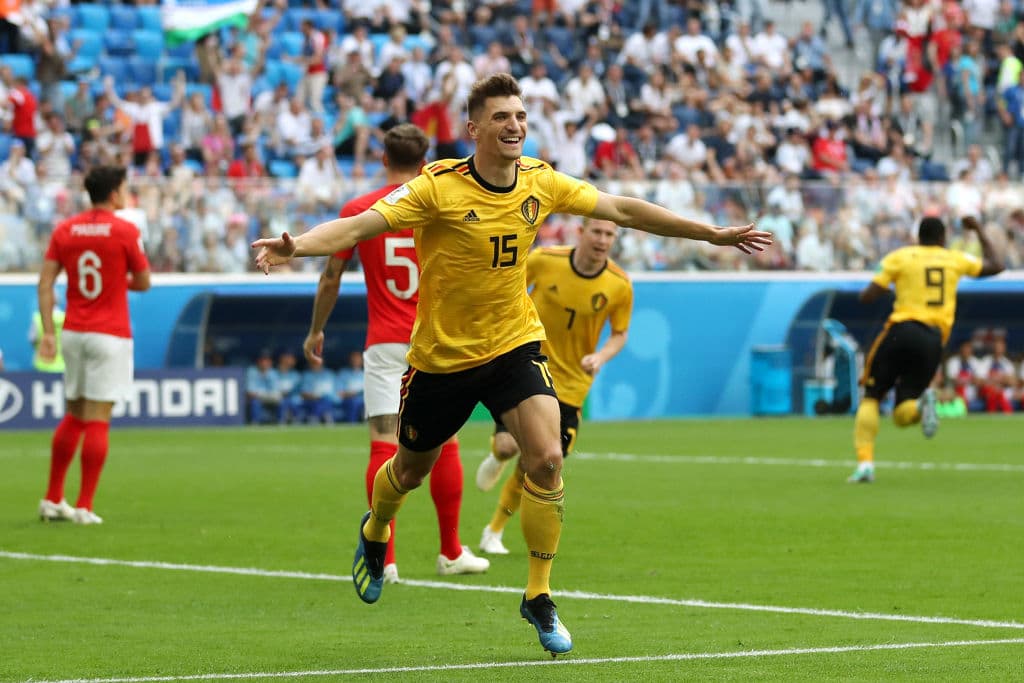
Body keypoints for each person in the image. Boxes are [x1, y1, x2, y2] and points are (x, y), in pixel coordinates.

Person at [254, 73, 770, 656]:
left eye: (521, 116)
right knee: (408, 472)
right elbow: (356, 226)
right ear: (474, 129)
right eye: (502, 117)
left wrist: (711, 234)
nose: (515, 125)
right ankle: (376, 529)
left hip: (513, 344)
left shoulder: (540, 181)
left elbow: (621, 207)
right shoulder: (437, 188)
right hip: (442, 358)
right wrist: (297, 246)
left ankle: (539, 594)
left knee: (548, 458)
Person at [303, 123, 488, 585]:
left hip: (386, 340)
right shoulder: (440, 201)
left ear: (383, 159)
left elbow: (330, 278)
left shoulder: (360, 208)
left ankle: (384, 559)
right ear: (426, 163)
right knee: (445, 441)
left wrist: (316, 331)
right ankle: (450, 550)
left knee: (384, 442)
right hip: (438, 339)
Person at [476, 218, 632, 556]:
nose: (602, 240)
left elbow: (620, 333)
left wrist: (601, 355)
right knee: (507, 448)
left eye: (609, 234)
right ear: (581, 232)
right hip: (527, 369)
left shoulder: (619, 284)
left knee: (542, 464)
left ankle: (494, 531)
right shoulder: (546, 260)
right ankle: (497, 454)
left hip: (572, 385)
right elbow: (510, 290)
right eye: (597, 232)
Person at [848, 216, 1004, 483]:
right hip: (933, 340)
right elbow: (996, 265)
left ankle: (865, 465)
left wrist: (880, 291)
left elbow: (868, 294)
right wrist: (978, 229)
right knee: (902, 411)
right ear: (943, 239)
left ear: (918, 237)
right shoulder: (954, 259)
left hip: (902, 330)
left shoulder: (901, 257)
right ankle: (921, 405)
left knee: (872, 395)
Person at [36, 165, 151, 524]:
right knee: (98, 419)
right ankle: (85, 505)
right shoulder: (125, 230)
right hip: (109, 333)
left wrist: (49, 334)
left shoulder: (65, 229)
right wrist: (119, 282)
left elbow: (45, 283)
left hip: (72, 331)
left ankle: (53, 498)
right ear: (115, 193)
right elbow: (144, 281)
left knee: (74, 413)